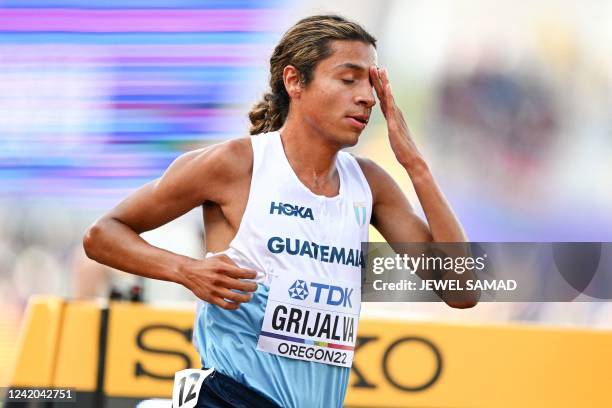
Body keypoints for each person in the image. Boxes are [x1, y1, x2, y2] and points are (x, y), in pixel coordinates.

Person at [83, 14, 476, 408]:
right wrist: (186, 271)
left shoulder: (369, 184)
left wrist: (416, 166)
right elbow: (103, 234)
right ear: (294, 81)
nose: (367, 97)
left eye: (371, 83)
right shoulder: (236, 165)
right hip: (229, 396)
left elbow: (463, 291)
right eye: (348, 79)